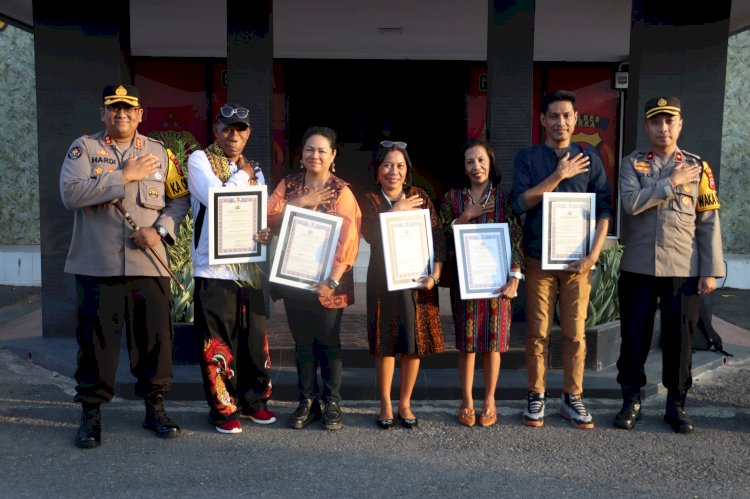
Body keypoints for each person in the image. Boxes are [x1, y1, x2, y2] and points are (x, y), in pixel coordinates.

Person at [60, 84, 189, 448]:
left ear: (140, 115)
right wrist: (123, 177)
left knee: (154, 340)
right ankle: (91, 413)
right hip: (96, 264)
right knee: (96, 342)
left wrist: (160, 230)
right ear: (103, 113)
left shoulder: (159, 153)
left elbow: (177, 202)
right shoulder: (84, 148)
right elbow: (70, 194)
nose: (121, 115)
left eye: (128, 109)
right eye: (113, 109)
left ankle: (155, 408)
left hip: (148, 264)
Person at [614, 97, 724, 434]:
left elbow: (708, 221)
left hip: (683, 270)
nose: (663, 128)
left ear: (680, 124)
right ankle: (631, 399)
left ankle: (676, 404)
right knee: (634, 337)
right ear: (647, 126)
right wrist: (670, 183)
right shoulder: (632, 164)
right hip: (638, 268)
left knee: (680, 341)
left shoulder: (698, 167)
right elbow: (631, 204)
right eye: (656, 122)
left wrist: (710, 270)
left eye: (669, 121)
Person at [511, 90, 613, 429]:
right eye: (554, 116)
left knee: (575, 333)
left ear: (575, 118)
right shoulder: (528, 157)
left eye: (567, 115)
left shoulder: (590, 157)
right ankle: (536, 395)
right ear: (543, 120)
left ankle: (573, 397)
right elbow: (520, 202)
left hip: (577, 263)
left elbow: (604, 210)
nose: (561, 122)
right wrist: (559, 175)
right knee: (537, 332)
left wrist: (593, 255)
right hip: (539, 258)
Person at [188, 103, 275, 434]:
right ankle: (223, 409)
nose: (233, 135)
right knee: (217, 342)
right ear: (216, 130)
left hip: (248, 269)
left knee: (254, 339)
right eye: (227, 128)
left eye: (240, 129)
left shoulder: (256, 168)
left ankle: (255, 402)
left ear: (248, 133)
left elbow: (259, 208)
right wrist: (244, 175)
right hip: (213, 269)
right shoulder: (199, 160)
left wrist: (265, 230)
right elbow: (216, 196)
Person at [267, 126, 361, 431]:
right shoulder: (290, 183)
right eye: (309, 149)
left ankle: (331, 402)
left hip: (330, 280)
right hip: (296, 276)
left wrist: (331, 281)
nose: (315, 155)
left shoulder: (342, 191)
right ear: (302, 153)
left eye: (322, 150)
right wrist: (300, 203)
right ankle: (306, 400)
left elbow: (349, 240)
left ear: (333, 155)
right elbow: (267, 214)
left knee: (328, 342)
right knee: (303, 342)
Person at [361, 140, 446, 429]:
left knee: (413, 342)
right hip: (381, 282)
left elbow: (437, 236)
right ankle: (385, 402)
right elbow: (371, 235)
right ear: (377, 171)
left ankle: (405, 403)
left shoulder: (420, 196)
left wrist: (435, 275)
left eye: (399, 166)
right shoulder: (370, 199)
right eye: (387, 165)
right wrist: (396, 210)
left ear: (407, 171)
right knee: (385, 343)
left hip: (417, 281)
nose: (393, 171)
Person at [440, 139, 524, 428]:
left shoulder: (504, 200)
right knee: (467, 343)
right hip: (465, 281)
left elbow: (516, 240)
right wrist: (466, 216)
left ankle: (489, 399)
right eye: (469, 162)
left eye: (481, 160)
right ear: (463, 167)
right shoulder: (453, 199)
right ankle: (466, 400)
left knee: (494, 342)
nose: (476, 167)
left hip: (496, 281)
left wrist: (515, 275)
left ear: (491, 162)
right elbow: (441, 240)